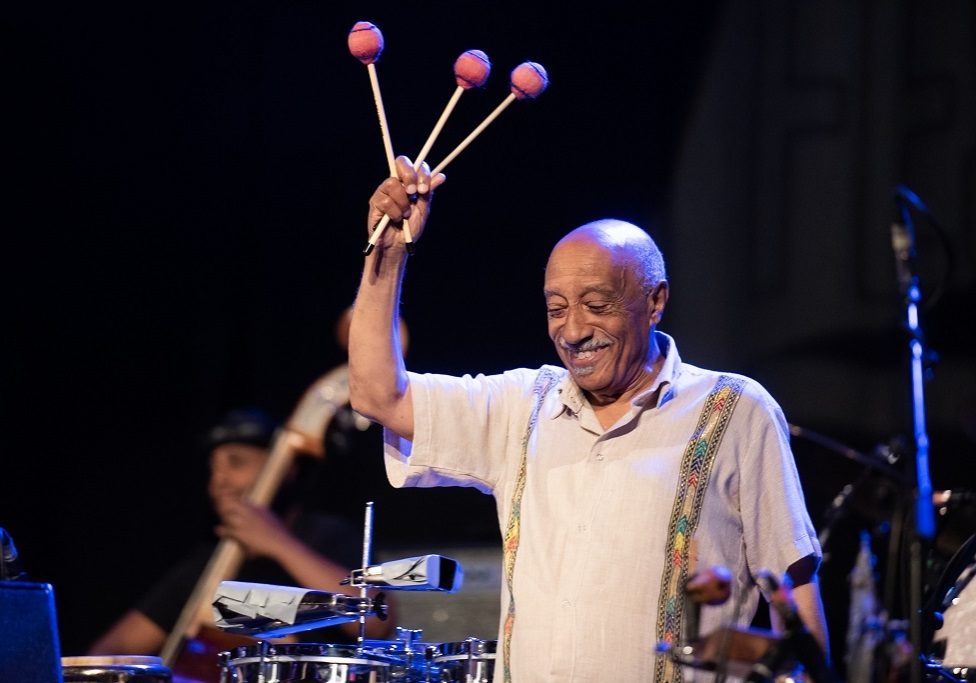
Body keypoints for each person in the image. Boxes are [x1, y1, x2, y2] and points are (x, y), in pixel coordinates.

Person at [347, 156, 830, 681]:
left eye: (596, 305)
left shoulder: (735, 410)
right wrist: (389, 254)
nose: (573, 330)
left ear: (655, 301)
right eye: (556, 308)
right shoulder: (522, 405)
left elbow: (794, 590)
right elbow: (377, 395)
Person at [88, 407, 395, 660]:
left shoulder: (327, 537)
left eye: (236, 463)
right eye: (213, 469)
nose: (218, 481)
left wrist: (278, 543)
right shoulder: (209, 563)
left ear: (285, 468)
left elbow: (377, 622)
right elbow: (113, 651)